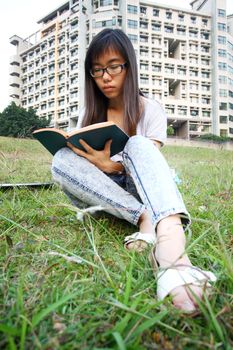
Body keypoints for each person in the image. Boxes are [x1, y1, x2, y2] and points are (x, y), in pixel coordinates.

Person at [52, 28, 216, 312]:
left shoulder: (150, 109)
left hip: (143, 188)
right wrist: (96, 165)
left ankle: (170, 247)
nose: (105, 76)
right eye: (97, 70)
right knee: (60, 160)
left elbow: (148, 165)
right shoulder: (88, 113)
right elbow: (80, 165)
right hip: (105, 194)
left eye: (114, 66)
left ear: (129, 66)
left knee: (139, 144)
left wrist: (111, 164)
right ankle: (143, 220)